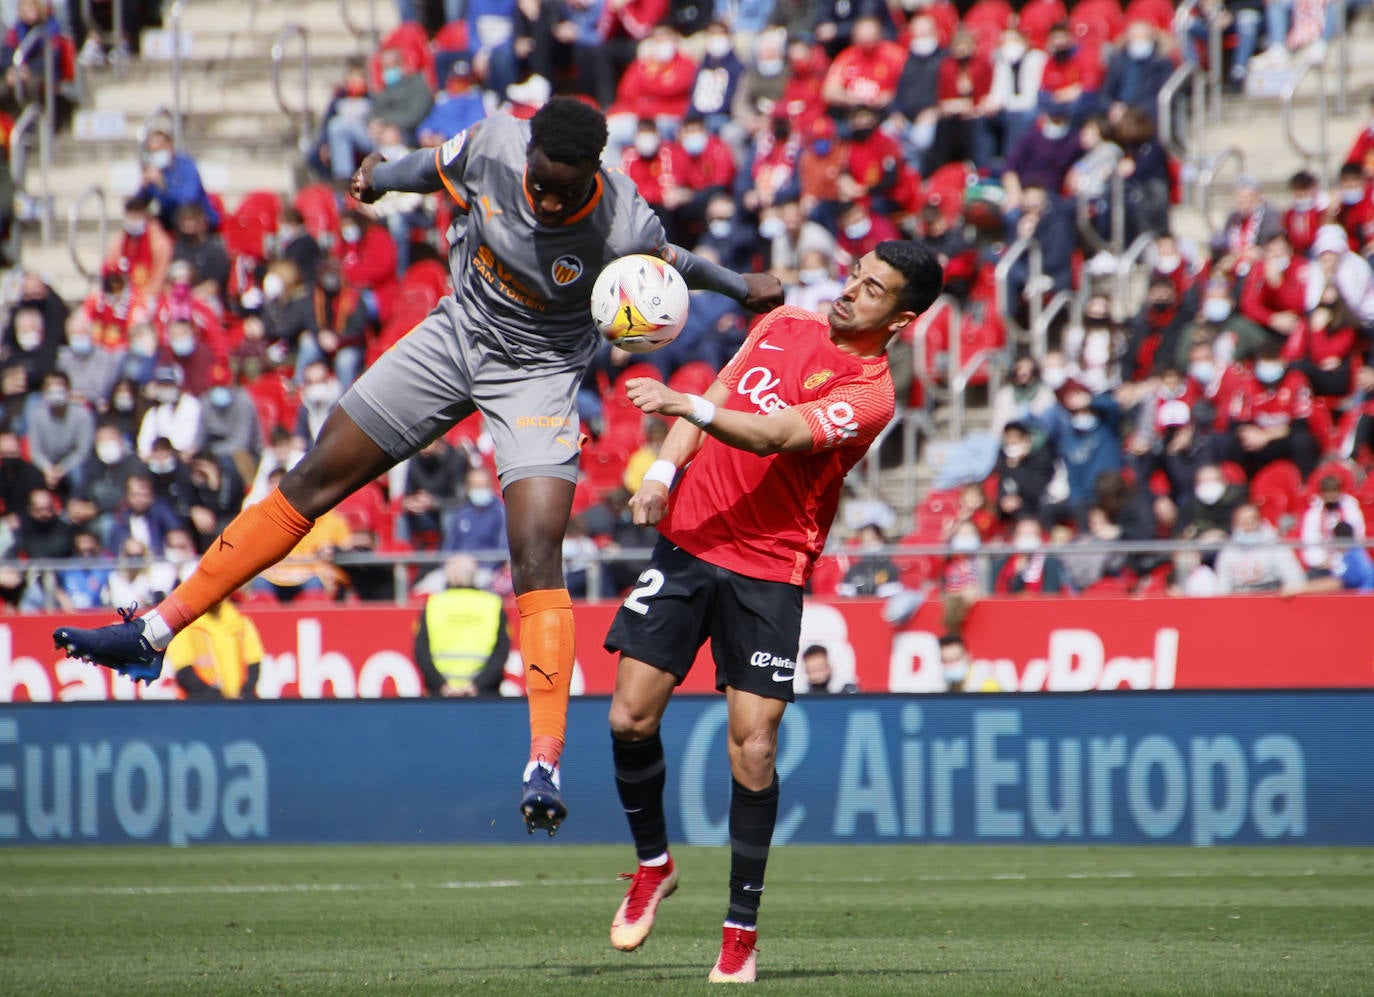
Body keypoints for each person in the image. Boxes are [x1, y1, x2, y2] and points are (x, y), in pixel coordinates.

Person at [55, 97, 783, 836]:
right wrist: (377, 178)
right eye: (540, 182)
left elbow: (667, 264)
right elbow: (433, 167)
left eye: (565, 190)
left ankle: (544, 759)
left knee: (536, 549)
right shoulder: (499, 142)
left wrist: (738, 284)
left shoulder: (624, 221)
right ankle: (154, 630)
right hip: (455, 335)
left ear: (595, 174)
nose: (548, 199)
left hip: (538, 371)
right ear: (527, 156)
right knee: (310, 480)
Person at [601, 242, 942, 982]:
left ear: (902, 317)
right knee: (628, 718)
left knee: (753, 747)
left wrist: (686, 403)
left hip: (769, 568)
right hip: (690, 540)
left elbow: (777, 432)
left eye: (874, 289)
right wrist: (662, 470)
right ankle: (654, 866)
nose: (852, 291)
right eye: (856, 274)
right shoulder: (783, 322)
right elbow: (722, 396)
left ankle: (740, 933)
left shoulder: (870, 393)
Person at [414, 554, 511, 698]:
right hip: (484, 694)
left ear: (455, 578)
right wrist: (477, 685)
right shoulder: (493, 604)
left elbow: (421, 651)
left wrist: (442, 685)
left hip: (442, 695)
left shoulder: (433, 604)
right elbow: (501, 651)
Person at [166, 599, 263, 700]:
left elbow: (254, 664)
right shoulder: (183, 625)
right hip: (199, 705)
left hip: (238, 703)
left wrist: (244, 693)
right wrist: (214, 698)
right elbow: (184, 672)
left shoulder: (241, 623)